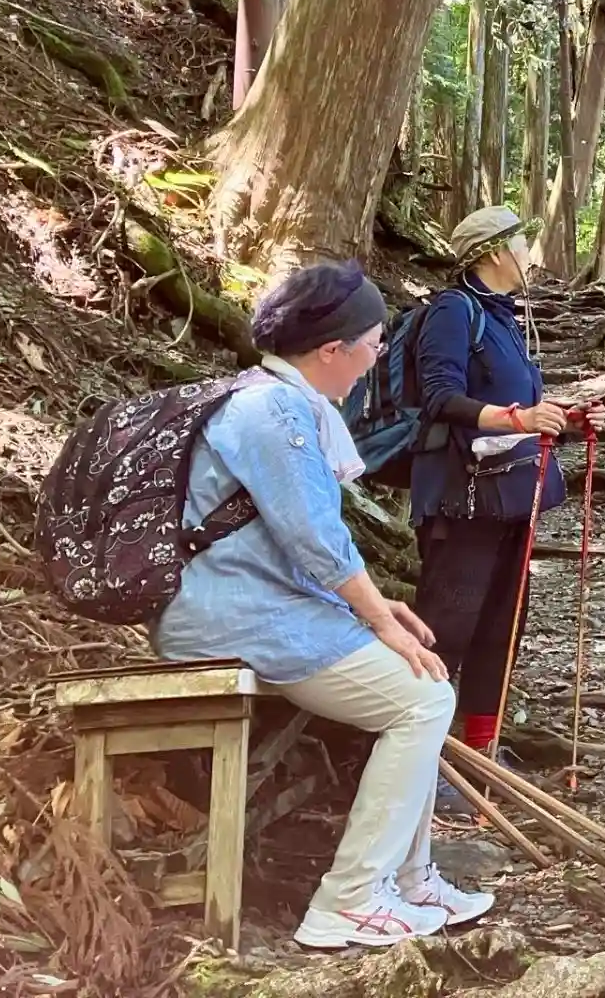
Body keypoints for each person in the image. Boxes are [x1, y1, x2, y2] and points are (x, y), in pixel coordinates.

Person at [151, 261, 493, 949]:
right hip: (231, 616)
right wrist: (376, 618)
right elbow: (314, 539)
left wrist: (378, 607)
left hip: (255, 606)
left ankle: (410, 879)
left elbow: (298, 539)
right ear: (332, 349)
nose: (376, 359)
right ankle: (351, 898)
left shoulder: (275, 401)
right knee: (422, 700)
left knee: (425, 688)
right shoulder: (273, 410)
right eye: (372, 344)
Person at [411, 206, 566, 807]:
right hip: (462, 501)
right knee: (446, 629)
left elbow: (517, 409)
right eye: (522, 243)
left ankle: (481, 755)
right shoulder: (454, 311)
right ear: (497, 252)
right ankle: (422, 762)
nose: (529, 254)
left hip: (510, 500)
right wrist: (517, 418)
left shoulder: (503, 318)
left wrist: (562, 422)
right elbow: (440, 396)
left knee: (502, 627)